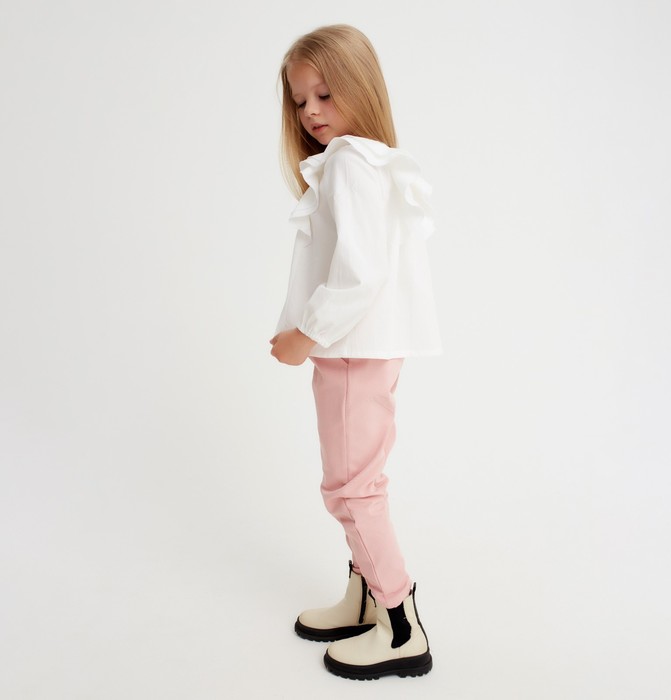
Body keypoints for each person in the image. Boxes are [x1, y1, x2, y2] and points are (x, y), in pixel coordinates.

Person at [269, 24, 441, 680]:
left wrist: (302, 335)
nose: (310, 112)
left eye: (325, 94)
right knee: (356, 483)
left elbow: (359, 275)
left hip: (351, 350)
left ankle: (399, 623)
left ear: (361, 90)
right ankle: (366, 596)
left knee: (351, 488)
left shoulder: (348, 161)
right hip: (364, 350)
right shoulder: (369, 160)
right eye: (299, 100)